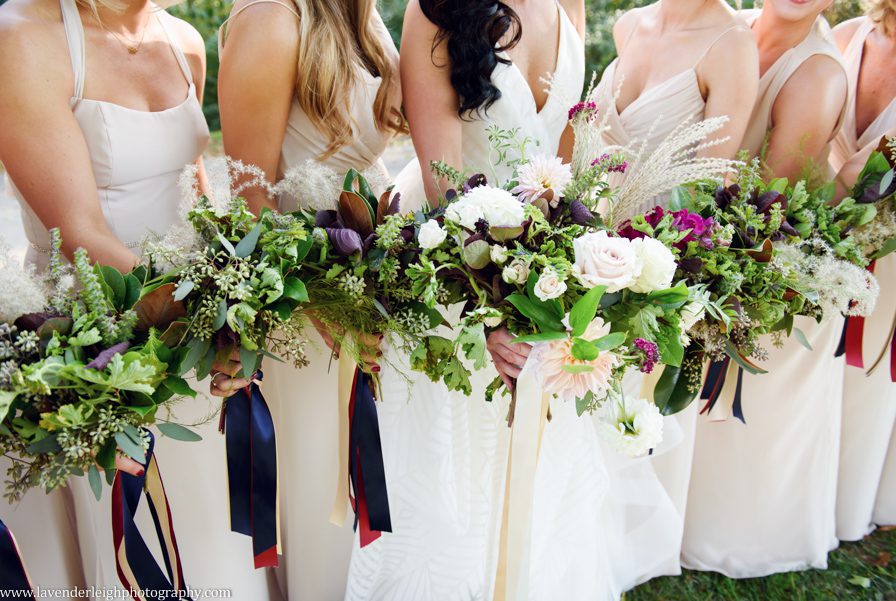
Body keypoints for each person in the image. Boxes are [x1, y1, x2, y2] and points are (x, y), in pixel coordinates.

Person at [341, 2, 672, 599]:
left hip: (550, 272)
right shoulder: (434, 11)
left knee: (545, 469)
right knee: (458, 474)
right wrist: (490, 310)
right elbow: (443, 178)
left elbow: (570, 158)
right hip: (457, 266)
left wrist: (578, 273)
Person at [0, 0, 275, 596]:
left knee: (217, 547)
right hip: (101, 351)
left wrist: (234, 299)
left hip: (197, 345)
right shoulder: (24, 39)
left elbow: (190, 182)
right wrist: (214, 318)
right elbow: (80, 234)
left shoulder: (183, 41)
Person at [217, 0, 403, 597]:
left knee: (370, 476)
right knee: (324, 487)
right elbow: (249, 200)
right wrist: (322, 300)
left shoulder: (364, 17)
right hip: (306, 305)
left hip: (368, 282)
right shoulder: (271, 19)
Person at [683, 0, 849, 577]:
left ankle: (732, 539)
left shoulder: (818, 74)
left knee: (746, 433)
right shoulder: (732, 25)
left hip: (768, 268)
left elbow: (765, 204)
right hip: (701, 235)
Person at [591, 2, 758, 573]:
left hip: (653, 266)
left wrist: (645, 281)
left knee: (625, 424)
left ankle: (626, 549)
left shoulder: (732, 44)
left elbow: (706, 190)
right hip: (584, 242)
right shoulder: (629, 21)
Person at [829, 0, 896, 543]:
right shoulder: (847, 34)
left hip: (891, 254)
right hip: (820, 238)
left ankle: (847, 507)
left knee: (867, 383)